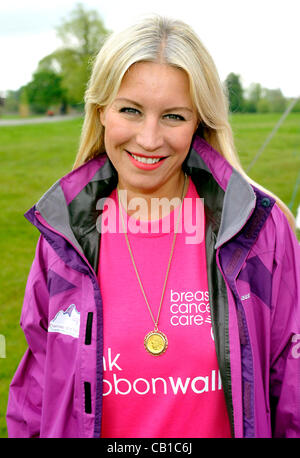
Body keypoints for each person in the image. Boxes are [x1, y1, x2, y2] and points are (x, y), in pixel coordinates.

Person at [6, 15, 300, 438]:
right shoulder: (64, 235)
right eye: (130, 110)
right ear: (102, 110)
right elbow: (36, 394)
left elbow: (291, 388)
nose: (148, 138)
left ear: (200, 120)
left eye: (173, 117)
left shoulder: (257, 230)